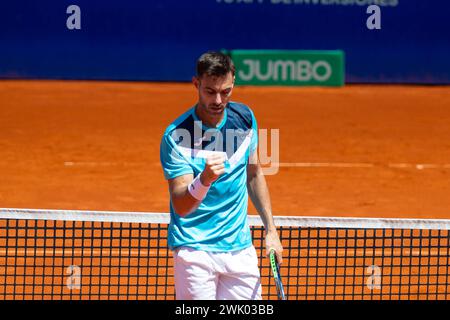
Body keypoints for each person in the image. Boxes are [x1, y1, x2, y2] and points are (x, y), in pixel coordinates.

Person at [160, 51, 283, 300]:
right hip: (195, 251)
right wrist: (203, 180)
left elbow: (254, 174)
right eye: (210, 91)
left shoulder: (245, 118)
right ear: (196, 85)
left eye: (225, 91)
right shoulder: (176, 136)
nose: (218, 100)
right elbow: (181, 206)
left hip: (240, 251)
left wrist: (271, 230)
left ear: (233, 83)